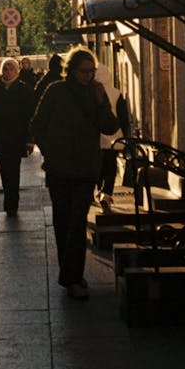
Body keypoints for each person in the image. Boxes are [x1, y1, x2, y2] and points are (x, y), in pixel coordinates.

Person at [31, 47, 120, 299]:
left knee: (77, 222)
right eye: (84, 71)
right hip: (59, 169)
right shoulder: (56, 91)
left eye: (92, 71)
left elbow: (111, 127)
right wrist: (50, 152)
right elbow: (37, 125)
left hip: (85, 168)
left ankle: (71, 278)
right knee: (62, 222)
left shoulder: (96, 93)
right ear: (71, 70)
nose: (89, 76)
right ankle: (72, 275)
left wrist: (103, 103)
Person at [0, 57, 35, 217]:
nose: (8, 72)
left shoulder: (24, 89)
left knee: (14, 170)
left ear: (17, 71)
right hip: (1, 136)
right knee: (4, 170)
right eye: (5, 69)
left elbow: (31, 115)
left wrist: (31, 140)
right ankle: (8, 198)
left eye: (11, 69)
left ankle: (12, 203)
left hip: (17, 136)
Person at [95, 65, 130, 211]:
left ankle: (98, 191)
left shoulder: (92, 92)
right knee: (111, 167)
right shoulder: (116, 93)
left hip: (97, 137)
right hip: (114, 137)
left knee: (98, 166)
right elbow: (123, 117)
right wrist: (126, 136)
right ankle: (106, 193)